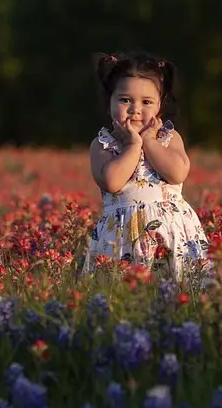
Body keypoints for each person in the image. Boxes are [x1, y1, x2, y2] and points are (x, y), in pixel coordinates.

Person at [84, 51, 209, 280]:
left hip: (170, 233)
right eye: (125, 100)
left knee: (179, 288)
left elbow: (177, 173)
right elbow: (112, 182)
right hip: (122, 237)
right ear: (109, 101)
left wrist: (149, 141)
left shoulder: (168, 138)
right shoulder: (103, 144)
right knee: (123, 293)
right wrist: (133, 145)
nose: (135, 109)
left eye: (147, 102)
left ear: (160, 106)